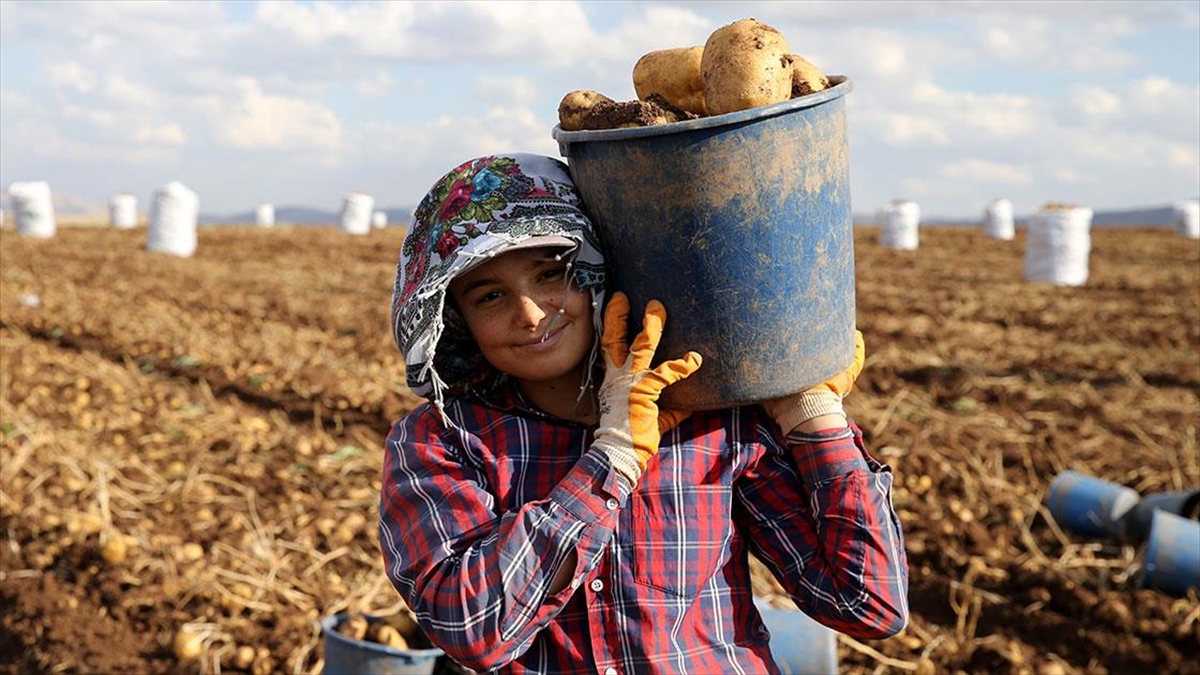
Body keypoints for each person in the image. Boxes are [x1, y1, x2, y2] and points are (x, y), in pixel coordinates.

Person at [380, 152, 909, 674]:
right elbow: (474, 630)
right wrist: (613, 457)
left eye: (550, 274)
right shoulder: (440, 441)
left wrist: (811, 415)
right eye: (491, 296)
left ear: (595, 270)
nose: (531, 314)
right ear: (457, 320)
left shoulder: (708, 420)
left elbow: (869, 605)